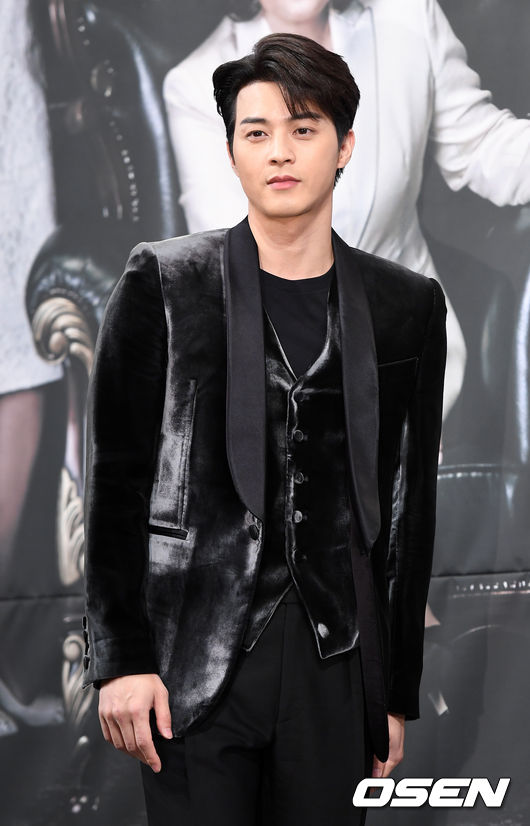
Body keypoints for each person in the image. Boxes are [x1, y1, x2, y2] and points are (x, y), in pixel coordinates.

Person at [81, 32, 447, 825]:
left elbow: (406, 507)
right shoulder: (165, 282)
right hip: (191, 666)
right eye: (257, 131)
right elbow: (116, 480)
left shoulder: (406, 306)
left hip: (334, 664)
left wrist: (393, 692)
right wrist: (122, 660)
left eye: (304, 128)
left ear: (344, 146)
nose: (280, 151)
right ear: (232, 151)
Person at [163, 0, 530, 426]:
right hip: (280, 391)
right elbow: (242, 274)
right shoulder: (195, 86)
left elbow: (481, 145)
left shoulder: (410, 18)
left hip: (414, 357)